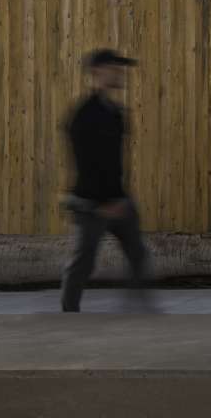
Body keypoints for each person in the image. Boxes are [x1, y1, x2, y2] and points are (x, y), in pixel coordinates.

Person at [60, 47, 155, 312]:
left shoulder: (116, 114)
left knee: (137, 254)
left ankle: (137, 312)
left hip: (118, 200)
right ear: (97, 72)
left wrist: (121, 197)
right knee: (82, 263)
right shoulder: (83, 115)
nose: (120, 73)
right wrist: (102, 202)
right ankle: (68, 316)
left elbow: (114, 163)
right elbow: (84, 162)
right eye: (114, 68)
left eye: (120, 68)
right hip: (91, 204)